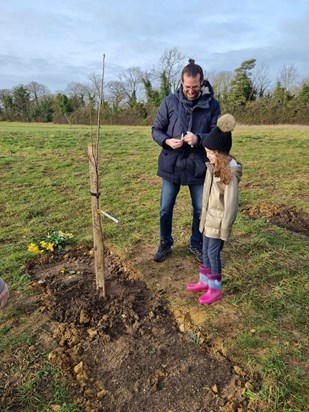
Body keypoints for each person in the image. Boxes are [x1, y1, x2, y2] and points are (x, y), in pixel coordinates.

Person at [152, 59, 221, 263]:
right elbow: (156, 130)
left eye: (195, 87)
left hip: (198, 166)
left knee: (200, 209)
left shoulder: (212, 105)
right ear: (181, 82)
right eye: (187, 86)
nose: (191, 91)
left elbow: (217, 135)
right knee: (165, 208)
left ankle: (196, 242)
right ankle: (165, 242)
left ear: (202, 83)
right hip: (171, 164)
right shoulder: (169, 102)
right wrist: (166, 141)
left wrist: (198, 138)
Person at [186, 114, 242, 304]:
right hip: (208, 219)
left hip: (218, 223)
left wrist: (225, 228)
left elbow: (231, 204)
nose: (207, 155)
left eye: (210, 152)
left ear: (220, 153)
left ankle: (215, 289)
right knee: (205, 250)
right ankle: (204, 281)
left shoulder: (230, 174)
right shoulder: (212, 167)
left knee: (212, 254)